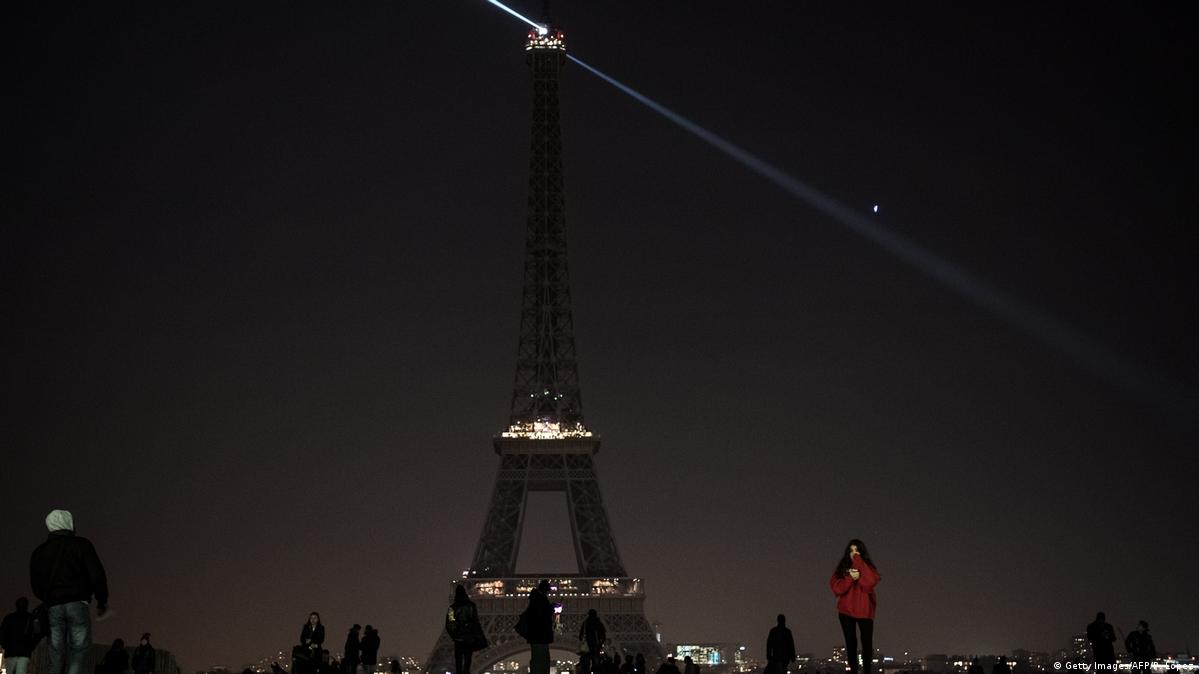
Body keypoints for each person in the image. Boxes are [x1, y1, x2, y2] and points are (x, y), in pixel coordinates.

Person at [30, 509, 110, 674]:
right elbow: (97, 575)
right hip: (77, 603)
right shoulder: (82, 545)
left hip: (53, 606)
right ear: (70, 523)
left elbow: (35, 583)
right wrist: (102, 600)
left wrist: (48, 597)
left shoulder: (39, 552)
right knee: (78, 650)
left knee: (56, 651)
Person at [829, 539, 880, 674]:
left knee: (867, 643)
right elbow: (837, 589)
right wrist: (851, 577)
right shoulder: (841, 569)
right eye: (851, 551)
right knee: (851, 643)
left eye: (857, 550)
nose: (854, 553)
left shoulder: (868, 568)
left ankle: (867, 671)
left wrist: (858, 562)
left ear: (862, 552)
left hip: (865, 610)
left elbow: (869, 582)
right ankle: (854, 672)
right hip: (846, 611)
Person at [446, 584, 484, 674]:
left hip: (458, 638)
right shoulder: (471, 606)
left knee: (458, 659)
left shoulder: (452, 608)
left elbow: (450, 623)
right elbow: (475, 621)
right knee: (467, 658)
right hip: (469, 637)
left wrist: (453, 635)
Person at [523, 580, 555, 674]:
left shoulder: (536, 598)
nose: (547, 592)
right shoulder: (539, 599)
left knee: (539, 657)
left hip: (537, 634)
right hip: (540, 634)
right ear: (544, 589)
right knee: (541, 658)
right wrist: (551, 608)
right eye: (547, 590)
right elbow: (542, 615)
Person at [0, 597, 39, 674]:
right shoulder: (31, 618)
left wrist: (5, 645)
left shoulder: (8, 618)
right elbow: (37, 633)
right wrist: (31, 646)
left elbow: (2, 633)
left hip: (11, 651)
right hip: (24, 652)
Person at [579, 609, 607, 674]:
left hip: (587, 647)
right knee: (596, 663)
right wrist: (601, 643)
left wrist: (583, 641)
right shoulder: (599, 623)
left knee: (586, 664)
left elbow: (580, 636)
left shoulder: (585, 623)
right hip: (596, 646)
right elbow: (603, 635)